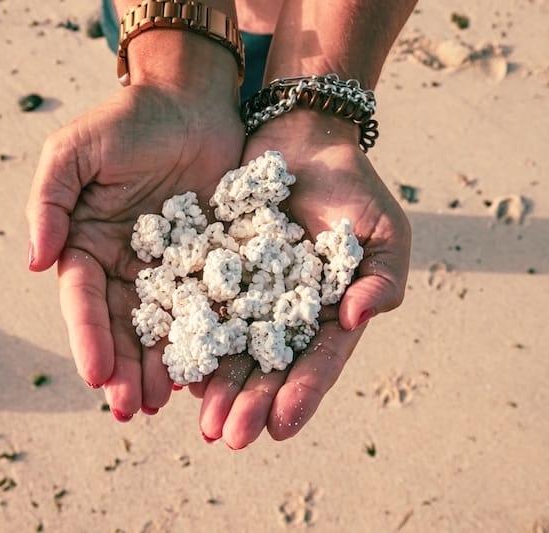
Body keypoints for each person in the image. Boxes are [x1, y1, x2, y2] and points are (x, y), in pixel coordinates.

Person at [25, 0, 414, 450]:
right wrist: (175, 67)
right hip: (161, 15)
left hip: (335, 22)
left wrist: (316, 114)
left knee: (265, 134)